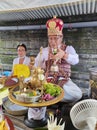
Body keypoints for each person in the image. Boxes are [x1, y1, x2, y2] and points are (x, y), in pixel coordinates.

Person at [27, 16, 82, 127]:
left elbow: (76, 60)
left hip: (64, 80)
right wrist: (32, 67)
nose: (53, 41)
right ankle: (38, 114)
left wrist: (64, 55)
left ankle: (51, 97)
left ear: (61, 37)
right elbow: (37, 65)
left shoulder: (68, 49)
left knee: (78, 94)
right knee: (31, 85)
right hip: (47, 80)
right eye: (50, 38)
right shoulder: (44, 51)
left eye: (56, 38)